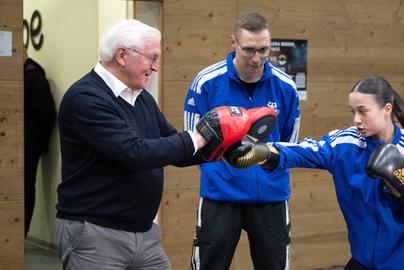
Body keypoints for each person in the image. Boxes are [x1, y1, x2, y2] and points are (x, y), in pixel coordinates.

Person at [55, 19, 261, 270]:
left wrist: (225, 148)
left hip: (143, 233)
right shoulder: (85, 98)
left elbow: (175, 149)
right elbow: (135, 152)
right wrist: (202, 134)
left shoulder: (141, 98)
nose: (155, 67)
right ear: (122, 55)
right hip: (95, 233)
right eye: (151, 58)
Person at [226, 75, 404, 270]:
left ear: (387, 109)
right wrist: (266, 152)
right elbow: (307, 150)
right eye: (353, 112)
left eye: (363, 111)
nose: (356, 119)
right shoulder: (345, 143)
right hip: (364, 261)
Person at [184, 12, 301, 270]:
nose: (257, 58)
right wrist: (224, 171)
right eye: (249, 49)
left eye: (263, 50)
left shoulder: (286, 87)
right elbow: (194, 146)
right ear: (233, 42)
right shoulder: (206, 83)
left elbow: (289, 143)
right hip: (220, 196)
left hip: (271, 196)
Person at [24, 51, 56, 238]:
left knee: (25, 189)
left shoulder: (33, 77)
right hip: (20, 146)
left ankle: (20, 236)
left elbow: (47, 113)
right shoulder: (24, 75)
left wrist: (36, 144)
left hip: (28, 146)